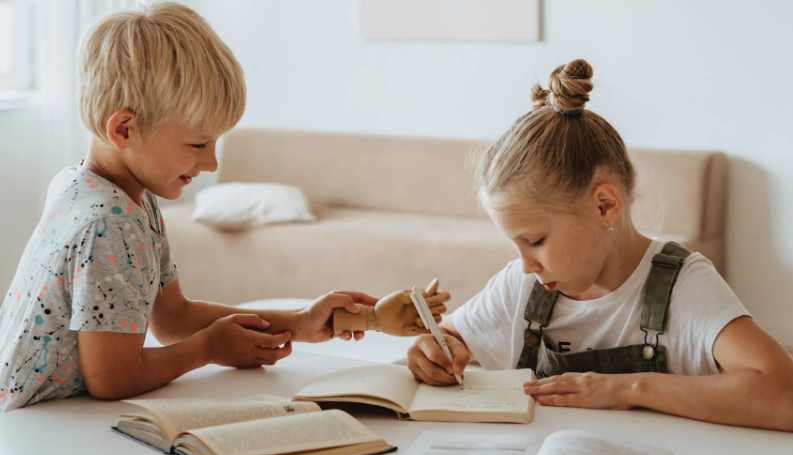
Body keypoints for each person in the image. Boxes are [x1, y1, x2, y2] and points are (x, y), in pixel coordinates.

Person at [0, 2, 376, 412]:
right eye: (198, 144)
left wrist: (299, 322)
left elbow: (172, 317)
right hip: (32, 427)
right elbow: (111, 378)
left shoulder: (96, 187)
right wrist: (208, 348)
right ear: (124, 129)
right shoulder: (109, 221)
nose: (212, 163)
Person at [406, 59, 793, 432]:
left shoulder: (683, 286)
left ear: (605, 206)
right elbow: (451, 336)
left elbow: (783, 393)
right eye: (515, 244)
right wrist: (435, 351)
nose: (526, 265)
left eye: (536, 241)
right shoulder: (523, 288)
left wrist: (627, 389)